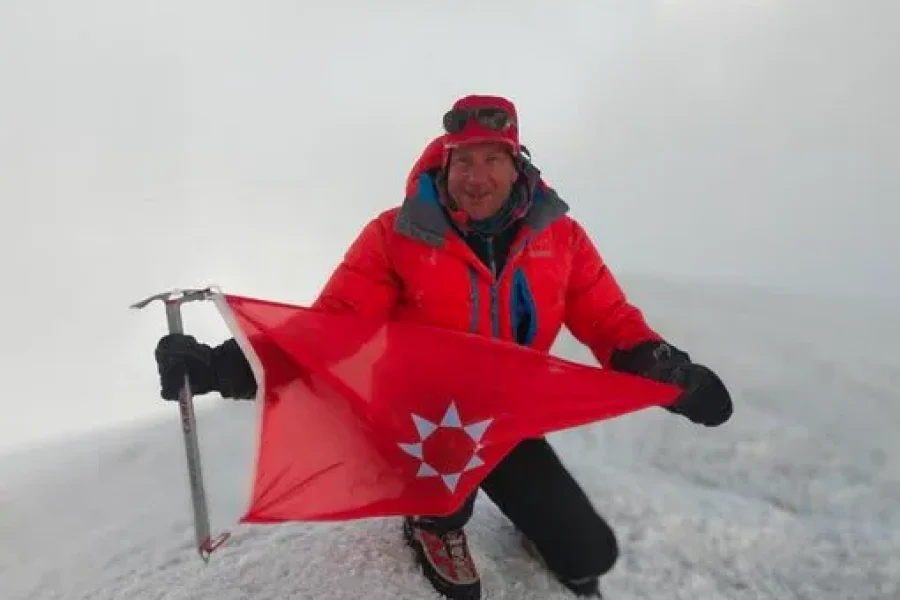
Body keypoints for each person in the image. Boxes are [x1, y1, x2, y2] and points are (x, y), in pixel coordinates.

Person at [153, 94, 733, 599]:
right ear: (444, 161)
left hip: (504, 420)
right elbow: (332, 331)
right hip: (419, 421)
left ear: (518, 166)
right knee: (451, 519)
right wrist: (220, 367)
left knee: (589, 557)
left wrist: (668, 372)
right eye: (464, 161)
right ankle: (434, 523)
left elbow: (610, 321)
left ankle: (530, 523)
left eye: (492, 159)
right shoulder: (395, 235)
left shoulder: (561, 240)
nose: (475, 177)